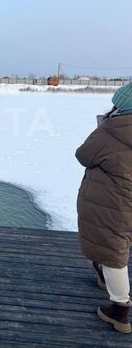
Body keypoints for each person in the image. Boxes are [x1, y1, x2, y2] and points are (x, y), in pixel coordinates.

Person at [76, 82, 132, 333]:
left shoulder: (111, 131)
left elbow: (84, 155)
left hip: (113, 202)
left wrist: (102, 127)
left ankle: (120, 310)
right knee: (121, 245)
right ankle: (104, 277)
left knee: (113, 252)